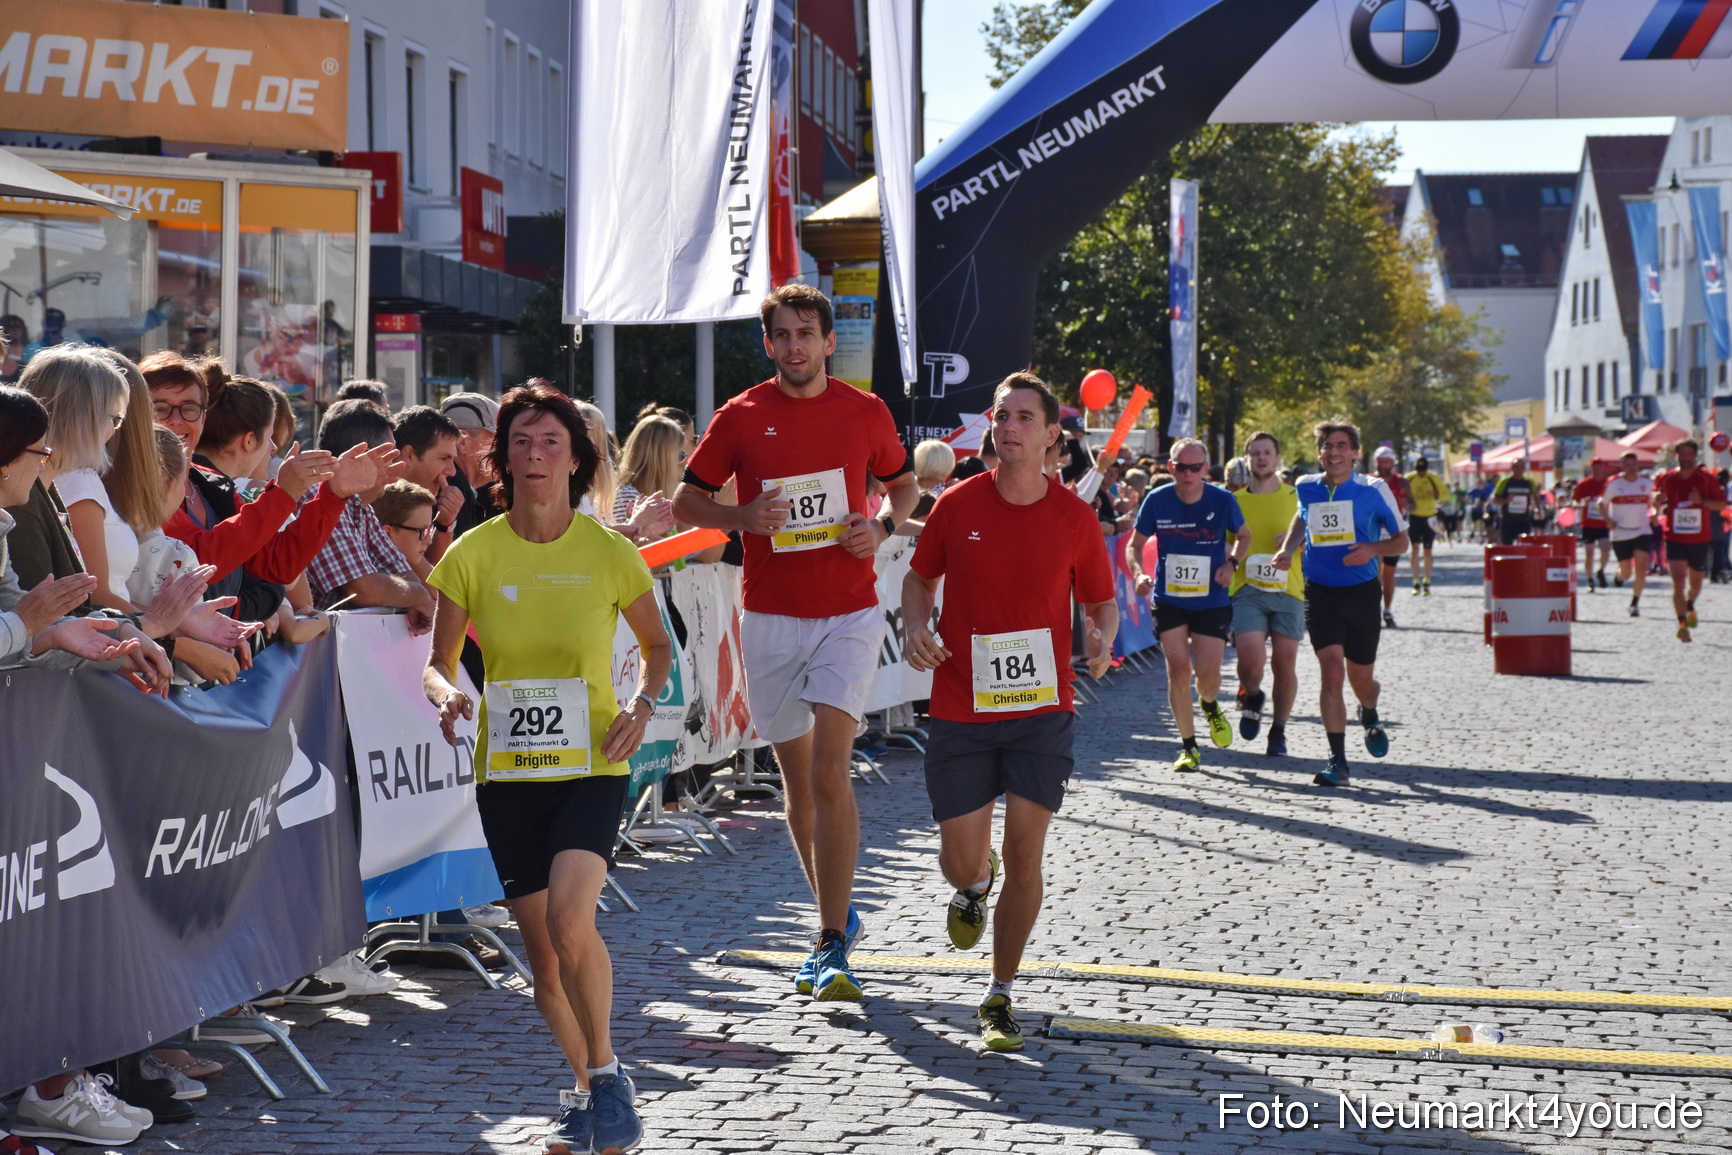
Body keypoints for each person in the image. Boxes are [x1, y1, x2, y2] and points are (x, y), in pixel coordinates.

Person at [424, 382, 671, 1155]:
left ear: (576, 459)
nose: (535, 456)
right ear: (501, 459)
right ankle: (590, 1083)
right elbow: (437, 663)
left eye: (550, 443)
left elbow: (657, 648)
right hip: (508, 775)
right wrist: (446, 697)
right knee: (544, 961)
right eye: (521, 443)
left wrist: (640, 705)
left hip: (593, 762)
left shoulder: (608, 549)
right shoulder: (471, 552)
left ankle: (603, 1080)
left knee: (572, 919)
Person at [674, 283, 918, 1001]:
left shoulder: (864, 411)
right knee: (796, 778)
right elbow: (689, 497)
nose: (795, 346)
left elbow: (902, 487)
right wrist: (743, 514)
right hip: (771, 616)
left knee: (829, 771)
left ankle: (830, 940)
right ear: (769, 343)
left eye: (806, 333)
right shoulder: (742, 415)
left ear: (826, 339)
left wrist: (880, 526)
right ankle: (835, 913)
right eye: (782, 335)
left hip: (849, 610)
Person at [901, 372, 1116, 1052]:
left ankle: (1000, 993)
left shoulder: (1075, 517)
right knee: (960, 859)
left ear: (1052, 434)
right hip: (962, 704)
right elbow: (917, 578)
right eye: (1001, 414)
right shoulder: (958, 506)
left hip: (1041, 709)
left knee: (1028, 854)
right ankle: (972, 883)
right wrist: (916, 624)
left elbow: (1102, 602)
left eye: (1024, 416)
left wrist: (1102, 637)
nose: (1009, 425)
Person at [1273, 421, 1407, 788]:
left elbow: (1401, 541)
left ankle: (1370, 711)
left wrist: (1371, 549)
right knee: (1331, 672)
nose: (1334, 452)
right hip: (1320, 593)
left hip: (1362, 593)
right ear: (1320, 453)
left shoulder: (1374, 489)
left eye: (1342, 446)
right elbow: (1302, 517)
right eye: (1328, 446)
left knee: (1361, 680)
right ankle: (1338, 761)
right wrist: (1287, 549)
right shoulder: (1306, 487)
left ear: (1355, 453)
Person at [1124, 438, 1248, 772]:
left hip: (1211, 600)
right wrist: (1138, 574)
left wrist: (1232, 563)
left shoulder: (1222, 500)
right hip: (1170, 600)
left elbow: (1245, 536)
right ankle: (1188, 747)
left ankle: (1209, 705)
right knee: (1178, 670)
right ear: (1171, 467)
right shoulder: (1157, 500)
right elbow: (1133, 546)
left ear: (1206, 469)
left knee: (1207, 677)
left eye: (1195, 467)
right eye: (1181, 467)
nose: (1188, 474)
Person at [304, 400, 429, 629]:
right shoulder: (317, 494)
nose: (398, 468)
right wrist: (417, 596)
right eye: (389, 459)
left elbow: (403, 571)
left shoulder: (360, 504)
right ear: (360, 456)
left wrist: (416, 594)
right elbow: (364, 590)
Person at [1230, 432, 1304, 757]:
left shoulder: (1298, 497)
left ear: (1277, 459)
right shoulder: (1234, 500)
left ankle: (1279, 730)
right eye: (1255, 453)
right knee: (1250, 658)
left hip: (1289, 588)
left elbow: (1318, 536)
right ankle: (1253, 693)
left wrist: (1294, 543)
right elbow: (1224, 541)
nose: (1261, 458)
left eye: (1267, 453)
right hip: (1247, 588)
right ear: (1247, 460)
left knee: (1284, 664)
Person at [1652, 438, 1726, 643]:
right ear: (1676, 455)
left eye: (1689, 454)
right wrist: (1656, 504)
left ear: (1695, 455)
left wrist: (1700, 501)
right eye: (1681, 454)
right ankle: (1682, 624)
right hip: (1674, 537)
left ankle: (1691, 603)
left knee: (1695, 584)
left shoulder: (1705, 479)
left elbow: (1721, 504)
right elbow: (1657, 500)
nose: (1685, 458)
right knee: (1678, 582)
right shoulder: (1667, 478)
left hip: (1700, 538)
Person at [392, 405, 465, 563]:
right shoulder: (372, 501)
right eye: (444, 458)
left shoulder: (423, 500)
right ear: (409, 455)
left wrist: (444, 524)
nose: (452, 471)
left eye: (453, 459)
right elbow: (427, 584)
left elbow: (430, 573)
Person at [440, 391, 500, 537]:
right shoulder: (453, 485)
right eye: (496, 441)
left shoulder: (461, 485)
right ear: (462, 442)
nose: (503, 451)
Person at [1604, 452, 1654, 616]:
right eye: (1628, 465)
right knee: (1627, 573)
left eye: (1634, 464)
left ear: (1638, 465)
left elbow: (1654, 503)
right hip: (1621, 532)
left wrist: (1655, 513)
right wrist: (1608, 519)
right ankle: (1620, 575)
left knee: (1641, 568)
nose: (1632, 468)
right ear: (1622, 466)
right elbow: (1601, 504)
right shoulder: (1614, 484)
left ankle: (1635, 603)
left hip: (1642, 530)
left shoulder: (1647, 483)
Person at [1371, 446, 1410, 625]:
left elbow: (1413, 503)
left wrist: (1406, 501)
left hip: (1394, 532)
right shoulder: (1369, 480)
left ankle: (1387, 609)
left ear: (1393, 462)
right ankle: (1373, 609)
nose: (1383, 465)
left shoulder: (1401, 482)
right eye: (1380, 461)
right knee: (1375, 572)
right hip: (1373, 531)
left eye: (1386, 461)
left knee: (1389, 573)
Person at [373, 480, 437, 579]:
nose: (429, 541)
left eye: (429, 529)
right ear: (388, 533)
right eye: (422, 531)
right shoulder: (379, 577)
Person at [1404, 456, 1447, 595]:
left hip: (1429, 518)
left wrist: (1436, 497)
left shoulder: (1433, 478)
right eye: (1418, 470)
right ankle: (1415, 581)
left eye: (1423, 470)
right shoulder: (1409, 478)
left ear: (1427, 469)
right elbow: (1399, 494)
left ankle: (1427, 580)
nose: (1420, 473)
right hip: (1415, 517)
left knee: (1428, 551)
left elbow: (1446, 495)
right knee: (1414, 549)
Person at [1570, 459, 1615, 593]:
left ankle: (1601, 571)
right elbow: (1573, 502)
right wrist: (1581, 505)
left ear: (1604, 469)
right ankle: (1590, 580)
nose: (1598, 471)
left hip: (1603, 523)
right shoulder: (1584, 484)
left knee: (1605, 549)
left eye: (1600, 468)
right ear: (1591, 469)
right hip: (1588, 524)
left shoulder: (1608, 484)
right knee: (1589, 553)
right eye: (1595, 468)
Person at [1492, 459, 1537, 545]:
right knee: (1507, 546)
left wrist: (1537, 509)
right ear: (1512, 468)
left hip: (1524, 521)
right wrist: (1506, 500)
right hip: (1508, 521)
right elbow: (1494, 500)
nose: (1519, 469)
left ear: (1524, 469)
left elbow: (1535, 496)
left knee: (1524, 546)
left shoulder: (1529, 482)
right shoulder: (1505, 481)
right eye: (1516, 467)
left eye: (1521, 467)